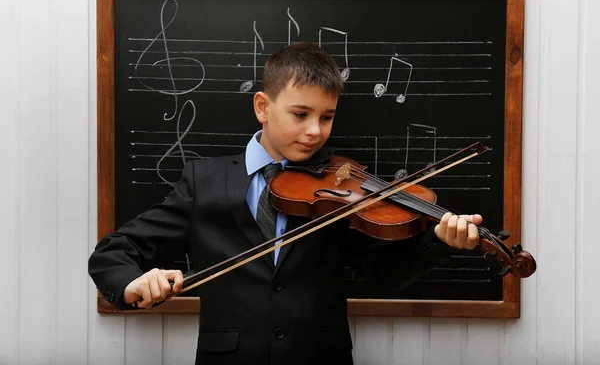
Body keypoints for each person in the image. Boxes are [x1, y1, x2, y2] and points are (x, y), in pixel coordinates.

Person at [88, 42, 482, 365]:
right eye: (300, 114)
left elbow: (382, 275)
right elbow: (113, 251)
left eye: (327, 117)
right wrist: (131, 282)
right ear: (262, 106)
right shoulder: (203, 182)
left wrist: (438, 243)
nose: (315, 131)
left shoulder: (342, 190)